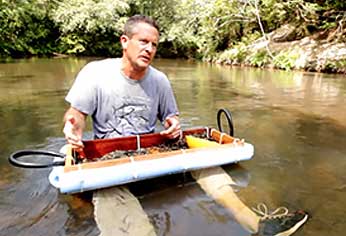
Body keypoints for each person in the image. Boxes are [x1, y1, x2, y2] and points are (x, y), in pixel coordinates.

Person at [62, 15, 308, 236]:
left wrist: (173, 125)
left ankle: (257, 225)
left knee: (206, 165)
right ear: (125, 41)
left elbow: (172, 118)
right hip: (112, 158)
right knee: (109, 193)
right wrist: (73, 128)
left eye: (154, 44)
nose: (149, 49)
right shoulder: (95, 73)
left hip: (151, 154)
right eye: (143, 41)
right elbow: (75, 115)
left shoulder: (159, 80)